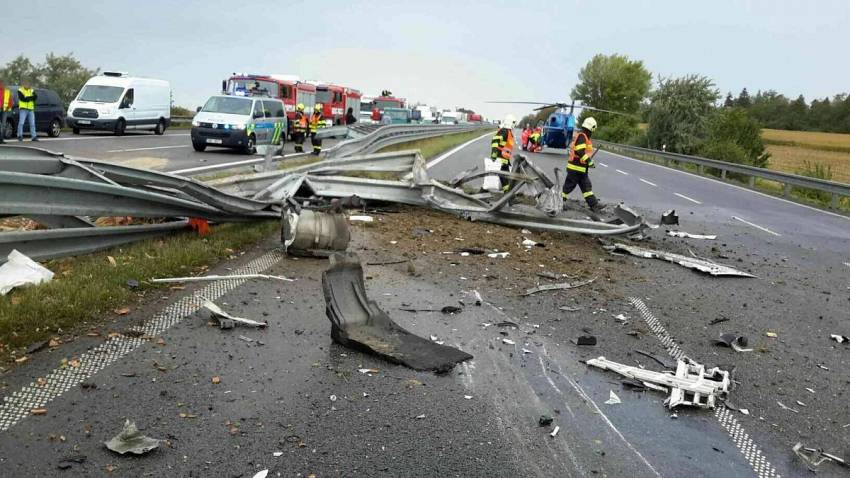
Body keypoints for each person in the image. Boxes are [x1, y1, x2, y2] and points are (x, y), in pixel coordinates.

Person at [562, 117, 605, 212]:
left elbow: (582, 151)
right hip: (575, 168)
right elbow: (579, 151)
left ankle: (594, 205)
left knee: (587, 187)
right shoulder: (582, 136)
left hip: (581, 169)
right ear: (592, 128)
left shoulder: (585, 137)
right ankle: (559, 202)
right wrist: (589, 161)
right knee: (568, 187)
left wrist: (587, 162)